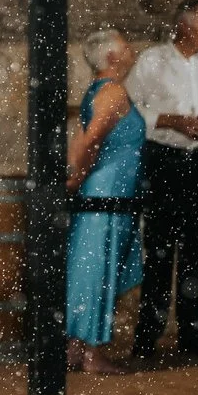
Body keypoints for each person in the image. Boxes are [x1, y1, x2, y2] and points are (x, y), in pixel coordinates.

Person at [125, 0, 198, 365]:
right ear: (185, 25)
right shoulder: (151, 60)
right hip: (164, 162)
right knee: (159, 252)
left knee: (197, 253)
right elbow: (130, 109)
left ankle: (193, 336)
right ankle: (147, 337)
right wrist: (169, 120)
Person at [64, 29, 147, 374]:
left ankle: (76, 348)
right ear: (112, 57)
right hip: (108, 192)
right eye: (127, 47)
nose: (133, 51)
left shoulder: (99, 89)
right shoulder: (112, 92)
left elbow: (85, 138)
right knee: (98, 268)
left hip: (108, 191)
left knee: (90, 266)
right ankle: (91, 353)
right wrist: (76, 178)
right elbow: (90, 140)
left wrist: (78, 179)